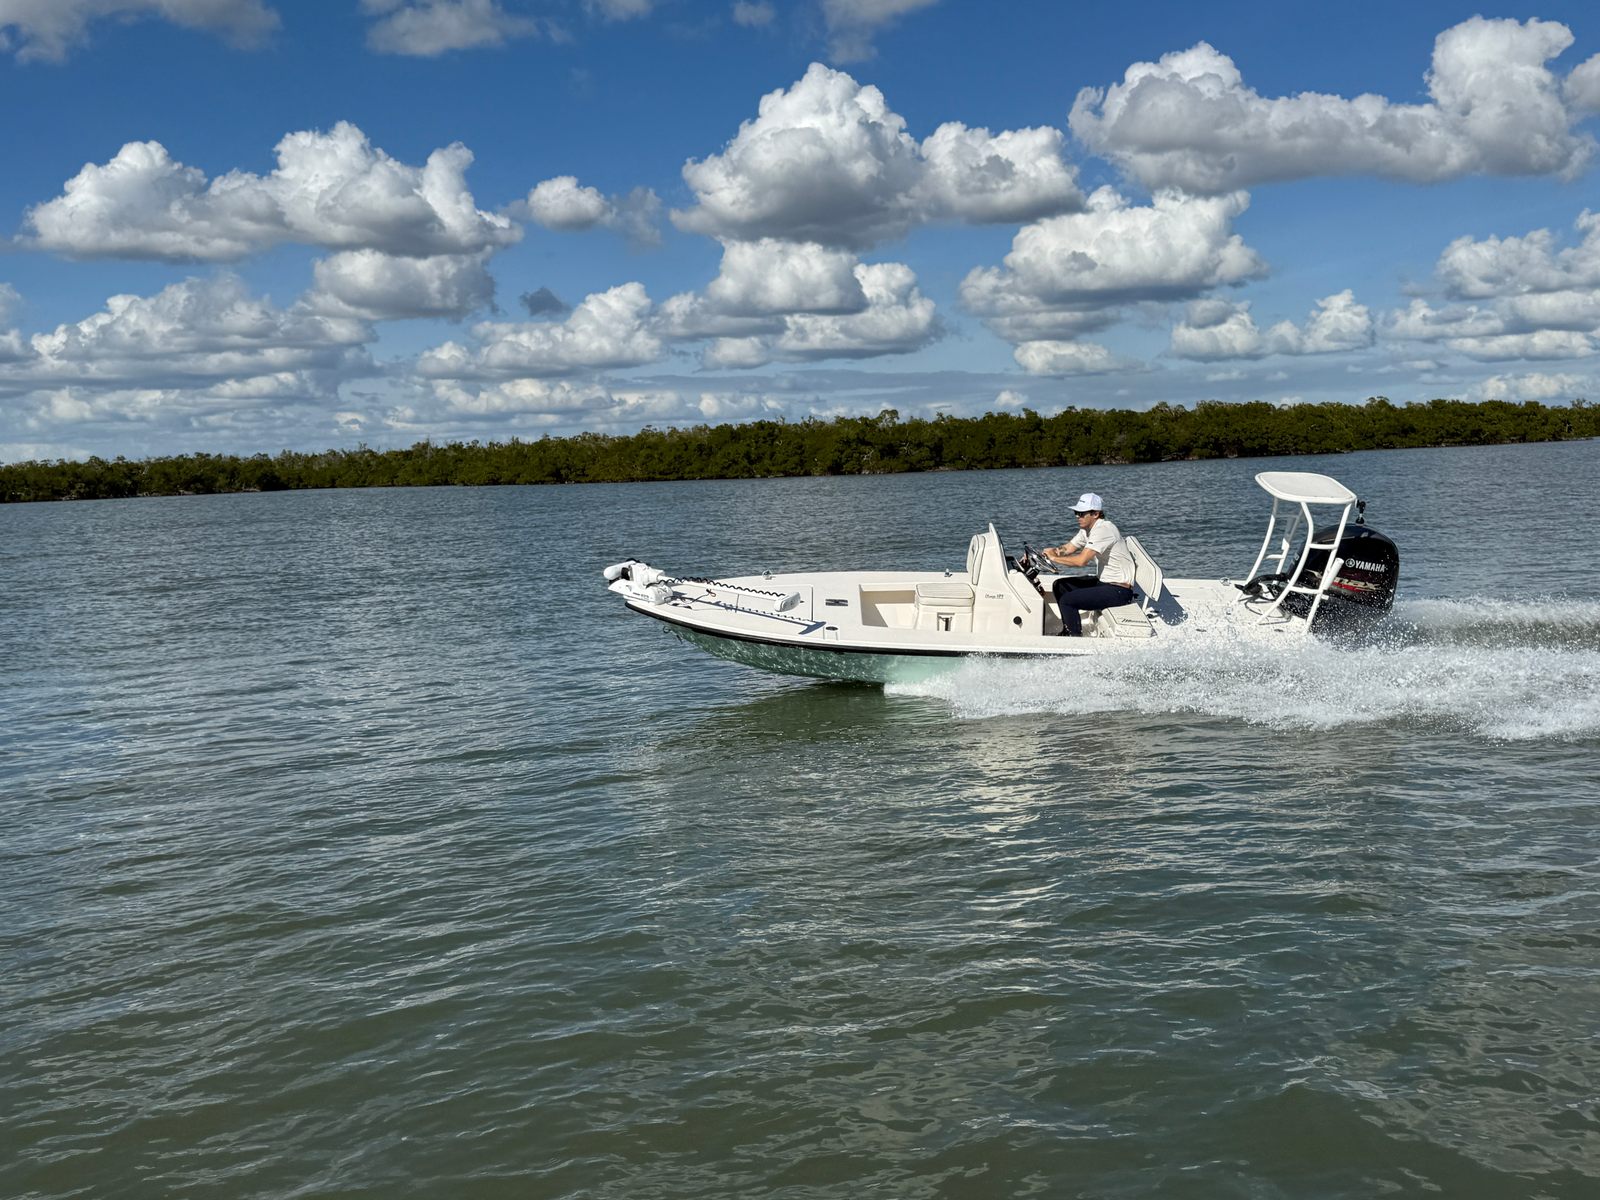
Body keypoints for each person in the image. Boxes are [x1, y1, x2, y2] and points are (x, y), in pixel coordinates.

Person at [1040, 492, 1137, 636]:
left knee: (1067, 601)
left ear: (1096, 514)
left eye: (1081, 513)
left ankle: (1074, 637)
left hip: (1119, 591)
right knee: (1060, 585)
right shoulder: (1087, 530)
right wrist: (1048, 553)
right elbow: (1068, 548)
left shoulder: (1104, 530)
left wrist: (1053, 558)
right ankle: (1067, 629)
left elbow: (1081, 561)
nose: (1077, 516)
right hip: (1104, 583)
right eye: (1076, 513)